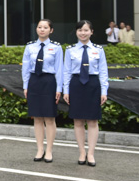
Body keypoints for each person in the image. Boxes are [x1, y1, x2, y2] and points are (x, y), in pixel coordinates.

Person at [63, 20, 108, 167]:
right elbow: (66, 71)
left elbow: (103, 72)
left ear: (91, 32)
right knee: (78, 121)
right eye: (80, 30)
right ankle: (82, 152)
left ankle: (91, 153)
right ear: (76, 32)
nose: (83, 33)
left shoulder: (98, 50)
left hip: (93, 85)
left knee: (93, 121)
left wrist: (104, 91)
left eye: (86, 30)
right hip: (76, 85)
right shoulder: (70, 50)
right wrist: (66, 90)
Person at [21, 19, 63, 163]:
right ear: (36, 29)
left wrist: (59, 88)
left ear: (51, 30)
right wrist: (26, 85)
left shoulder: (56, 47)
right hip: (34, 81)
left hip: (49, 82)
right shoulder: (30, 47)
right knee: (37, 117)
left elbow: (59, 69)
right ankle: (40, 149)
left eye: (45, 27)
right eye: (40, 27)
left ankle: (49, 150)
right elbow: (26, 68)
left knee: (49, 118)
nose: (42, 29)